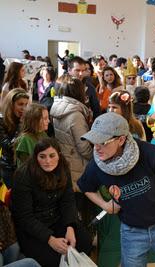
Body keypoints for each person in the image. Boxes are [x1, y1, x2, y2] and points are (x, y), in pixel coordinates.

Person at [77, 112, 155, 266]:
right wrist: (105, 205)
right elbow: (85, 187)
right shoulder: (97, 165)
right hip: (132, 232)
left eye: (102, 142)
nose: (97, 148)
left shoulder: (149, 153)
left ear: (121, 139)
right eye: (94, 142)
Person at [11, 138, 92, 267]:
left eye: (52, 156)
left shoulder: (63, 168)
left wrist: (70, 227)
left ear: (59, 155)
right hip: (32, 229)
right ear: (35, 157)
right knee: (52, 259)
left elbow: (68, 200)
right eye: (42, 157)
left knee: (84, 242)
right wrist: (50, 239)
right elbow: (25, 217)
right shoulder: (23, 175)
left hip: (56, 219)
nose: (47, 161)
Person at [50, 76, 93, 191]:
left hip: (66, 162)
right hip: (78, 165)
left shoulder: (56, 107)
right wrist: (96, 158)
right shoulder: (75, 115)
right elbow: (83, 147)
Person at [0, 89, 29, 188]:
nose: (24, 108)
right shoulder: (1, 121)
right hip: (8, 168)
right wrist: (21, 125)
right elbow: (9, 145)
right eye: (20, 104)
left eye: (26, 104)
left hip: (23, 167)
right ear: (11, 105)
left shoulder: (23, 119)